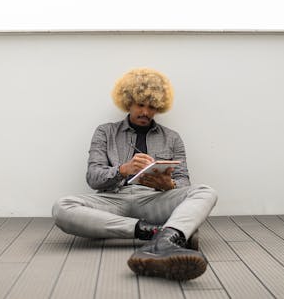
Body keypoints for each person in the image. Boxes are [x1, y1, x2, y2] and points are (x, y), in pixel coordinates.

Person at [52, 68, 218, 281]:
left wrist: (169, 185)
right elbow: (93, 177)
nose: (145, 112)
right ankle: (160, 234)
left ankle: (164, 235)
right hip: (113, 199)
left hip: (154, 200)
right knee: (62, 207)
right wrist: (123, 170)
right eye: (140, 105)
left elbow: (184, 180)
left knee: (206, 192)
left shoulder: (172, 138)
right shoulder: (105, 132)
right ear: (128, 102)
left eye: (152, 107)